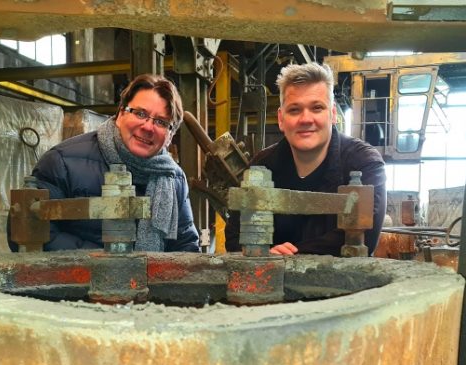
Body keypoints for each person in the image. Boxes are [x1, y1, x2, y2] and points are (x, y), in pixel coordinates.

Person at [24, 74, 200, 252]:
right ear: (121, 114)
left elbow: (186, 245)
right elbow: (31, 233)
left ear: (170, 136)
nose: (148, 127)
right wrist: (105, 263)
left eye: (161, 122)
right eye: (140, 113)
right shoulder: (61, 162)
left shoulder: (174, 178)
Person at [226, 63, 386, 256]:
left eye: (317, 108)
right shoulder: (262, 165)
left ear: (333, 114)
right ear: (281, 119)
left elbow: (366, 236)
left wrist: (283, 258)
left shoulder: (364, 162)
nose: (305, 119)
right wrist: (264, 254)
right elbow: (234, 238)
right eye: (294, 110)